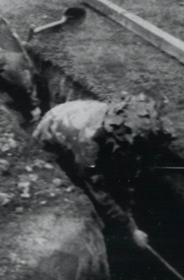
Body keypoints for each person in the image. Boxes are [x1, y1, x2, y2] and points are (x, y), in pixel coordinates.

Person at [33, 94, 175, 248]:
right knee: (70, 180)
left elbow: (129, 175)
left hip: (80, 117)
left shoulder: (124, 129)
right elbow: (98, 190)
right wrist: (131, 227)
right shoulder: (89, 146)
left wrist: (128, 212)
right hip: (53, 131)